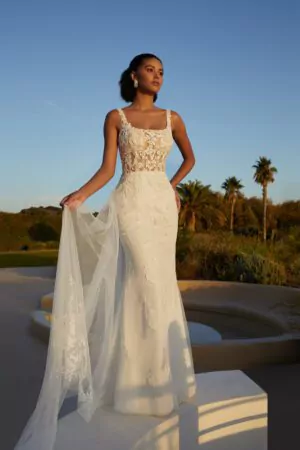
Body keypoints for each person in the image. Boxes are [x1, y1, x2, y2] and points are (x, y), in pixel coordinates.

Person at [14, 53, 197, 450]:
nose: (158, 76)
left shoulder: (174, 118)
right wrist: (81, 194)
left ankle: (164, 382)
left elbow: (189, 158)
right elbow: (108, 169)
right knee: (141, 282)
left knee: (161, 284)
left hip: (162, 208)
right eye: (150, 69)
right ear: (134, 76)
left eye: (162, 71)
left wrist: (173, 185)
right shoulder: (116, 117)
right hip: (130, 202)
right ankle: (134, 385)